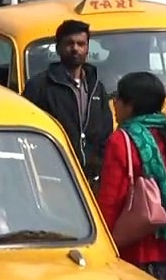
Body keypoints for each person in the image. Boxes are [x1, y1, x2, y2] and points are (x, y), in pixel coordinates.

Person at [96, 72, 166, 280]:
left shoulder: (122, 140)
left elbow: (110, 200)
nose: (114, 104)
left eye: (118, 98)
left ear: (130, 105)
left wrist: (103, 243)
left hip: (138, 250)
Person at [21, 19, 113, 186]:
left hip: (91, 179)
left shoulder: (96, 87)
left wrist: (98, 163)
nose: (75, 48)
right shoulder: (39, 86)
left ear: (87, 48)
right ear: (58, 48)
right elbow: (27, 131)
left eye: (81, 44)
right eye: (69, 43)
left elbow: (106, 130)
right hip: (54, 177)